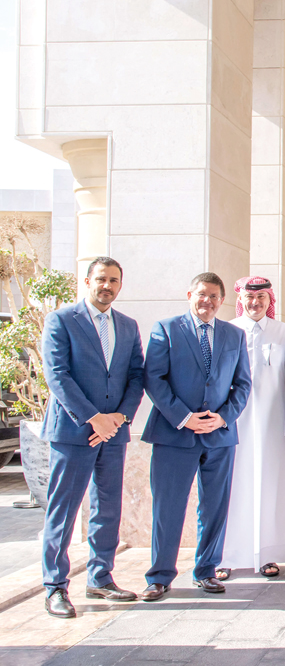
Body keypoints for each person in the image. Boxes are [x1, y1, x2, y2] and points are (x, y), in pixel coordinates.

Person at [38, 257, 145, 618]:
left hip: (113, 434)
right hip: (73, 432)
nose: (107, 286)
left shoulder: (128, 326)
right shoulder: (61, 320)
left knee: (108, 508)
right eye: (101, 279)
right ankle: (55, 587)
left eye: (114, 280)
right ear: (87, 281)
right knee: (63, 511)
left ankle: (100, 577)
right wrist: (92, 419)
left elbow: (135, 376)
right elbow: (57, 375)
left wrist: (118, 418)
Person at [139, 272, 252, 601]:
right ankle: (160, 576)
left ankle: (206, 570)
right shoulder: (166, 329)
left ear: (221, 300)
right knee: (168, 507)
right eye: (202, 295)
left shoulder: (234, 335)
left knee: (215, 507)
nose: (207, 301)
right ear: (190, 294)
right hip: (175, 434)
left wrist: (223, 418)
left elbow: (243, 384)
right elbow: (154, 379)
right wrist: (184, 418)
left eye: (214, 296)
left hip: (219, 436)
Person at [216, 276, 285, 581]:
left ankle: (268, 554)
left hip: (273, 424)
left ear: (269, 300)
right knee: (233, 487)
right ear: (241, 299)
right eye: (250, 297)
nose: (256, 303)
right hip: (235, 423)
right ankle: (226, 556)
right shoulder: (228, 330)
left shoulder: (283, 331)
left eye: (262, 297)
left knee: (270, 486)